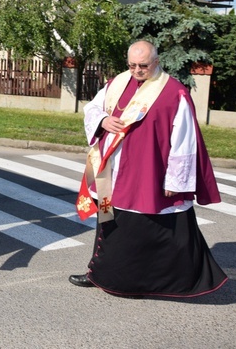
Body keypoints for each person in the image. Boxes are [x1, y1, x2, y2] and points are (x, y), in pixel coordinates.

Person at [70, 40, 227, 297]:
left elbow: (184, 141)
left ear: (156, 61)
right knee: (107, 221)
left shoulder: (173, 92)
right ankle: (98, 273)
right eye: (132, 65)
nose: (136, 70)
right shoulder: (117, 82)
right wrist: (103, 120)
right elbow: (93, 108)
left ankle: (155, 282)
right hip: (108, 172)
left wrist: (175, 182)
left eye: (143, 65)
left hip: (146, 174)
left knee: (149, 230)